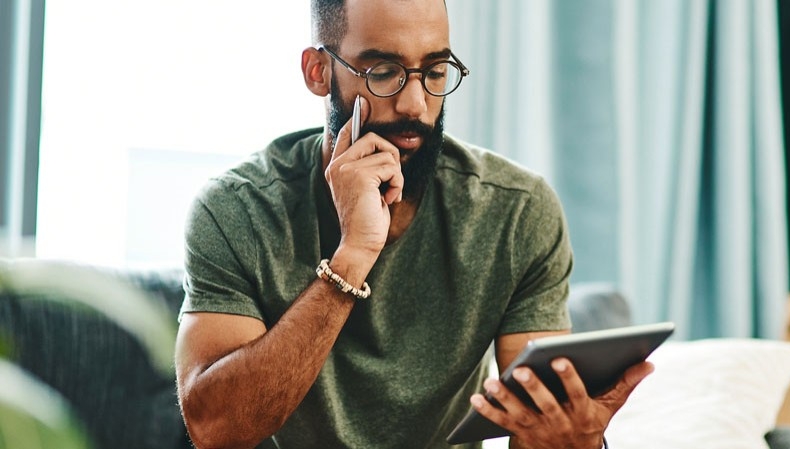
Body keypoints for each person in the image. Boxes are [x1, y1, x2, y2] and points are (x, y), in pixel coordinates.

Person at [173, 0, 654, 448]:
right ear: (318, 72)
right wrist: (353, 255)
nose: (415, 105)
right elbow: (216, 429)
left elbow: (537, 422)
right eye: (384, 72)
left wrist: (574, 439)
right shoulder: (236, 208)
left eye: (435, 71)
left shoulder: (515, 211)